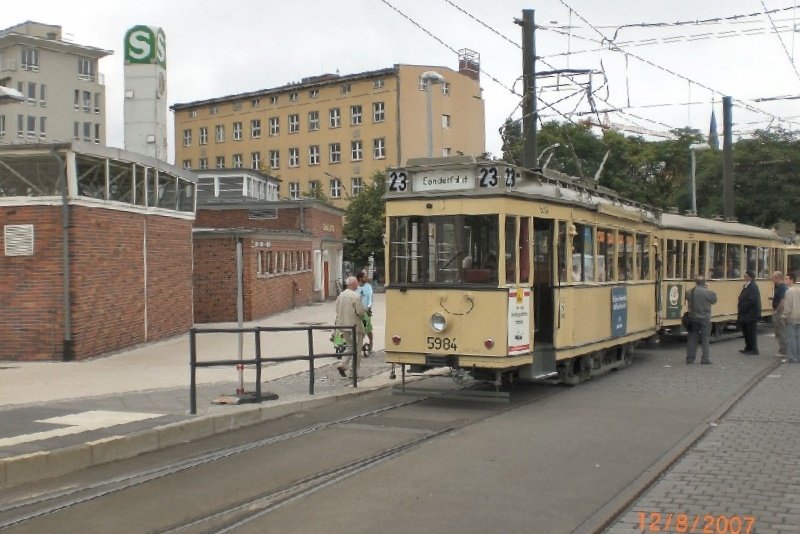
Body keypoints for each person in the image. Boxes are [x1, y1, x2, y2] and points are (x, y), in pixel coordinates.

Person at [334, 276, 366, 378]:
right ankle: (354, 372)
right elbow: (360, 312)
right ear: (353, 284)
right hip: (355, 326)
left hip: (343, 325)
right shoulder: (355, 296)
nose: (357, 285)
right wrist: (365, 311)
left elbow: (337, 309)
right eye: (356, 284)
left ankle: (343, 364)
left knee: (350, 346)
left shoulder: (341, 295)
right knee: (357, 349)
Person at [686, 276, 718, 365]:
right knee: (705, 339)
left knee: (692, 338)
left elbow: (687, 298)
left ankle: (690, 359)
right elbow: (714, 301)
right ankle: (705, 359)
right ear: (705, 282)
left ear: (696, 282)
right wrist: (707, 288)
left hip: (693, 318)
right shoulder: (709, 292)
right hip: (705, 318)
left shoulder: (690, 292)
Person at [737, 270, 761, 355]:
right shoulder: (747, 286)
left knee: (751, 332)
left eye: (746, 275)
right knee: (746, 331)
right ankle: (748, 347)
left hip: (750, 313)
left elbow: (752, 300)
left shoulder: (753, 286)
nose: (744, 277)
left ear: (750, 277)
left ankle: (753, 349)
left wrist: (743, 306)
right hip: (745, 314)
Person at [782, 271, 800, 363]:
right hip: (799, 317)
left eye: (786, 279)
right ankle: (798, 356)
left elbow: (788, 306)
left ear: (791, 280)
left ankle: (792, 357)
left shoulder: (789, 291)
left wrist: (784, 316)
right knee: (798, 337)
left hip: (791, 317)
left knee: (791, 338)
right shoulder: (799, 289)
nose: (785, 281)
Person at [770, 271, 788, 356]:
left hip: (780, 312)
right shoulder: (778, 287)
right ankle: (782, 349)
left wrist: (776, 310)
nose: (772, 279)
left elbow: (782, 301)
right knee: (779, 331)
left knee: (781, 331)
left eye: (773, 278)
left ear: (778, 278)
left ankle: (784, 350)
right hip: (778, 310)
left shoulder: (782, 287)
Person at [356, 271, 374, 355]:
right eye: (365, 277)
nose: (366, 278)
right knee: (358, 328)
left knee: (368, 328)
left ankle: (371, 342)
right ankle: (358, 344)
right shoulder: (356, 287)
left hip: (366, 310)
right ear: (360, 278)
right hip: (357, 310)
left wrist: (369, 306)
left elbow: (370, 297)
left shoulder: (368, 286)